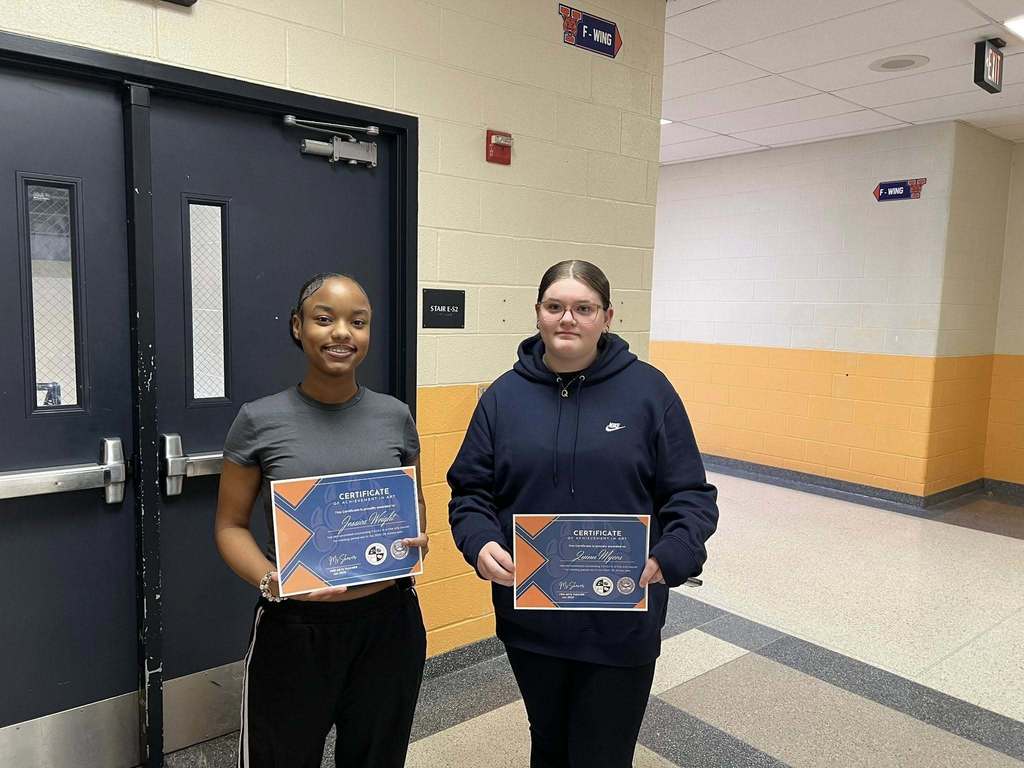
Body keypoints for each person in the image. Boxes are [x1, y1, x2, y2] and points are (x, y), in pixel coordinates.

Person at [447, 260, 718, 768]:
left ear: (607, 317)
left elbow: (691, 495)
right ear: (538, 314)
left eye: (583, 308)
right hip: (532, 617)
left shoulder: (649, 392)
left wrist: (675, 551)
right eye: (555, 307)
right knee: (548, 744)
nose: (567, 318)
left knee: (603, 753)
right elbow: (470, 492)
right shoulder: (503, 398)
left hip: (622, 615)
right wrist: (480, 542)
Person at [215, 272, 429, 768]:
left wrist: (418, 533)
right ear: (297, 326)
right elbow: (229, 527)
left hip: (389, 624)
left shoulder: (394, 416)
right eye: (324, 319)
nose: (342, 333)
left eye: (358, 322)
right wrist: (273, 581)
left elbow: (413, 504)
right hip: (296, 627)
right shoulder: (258, 420)